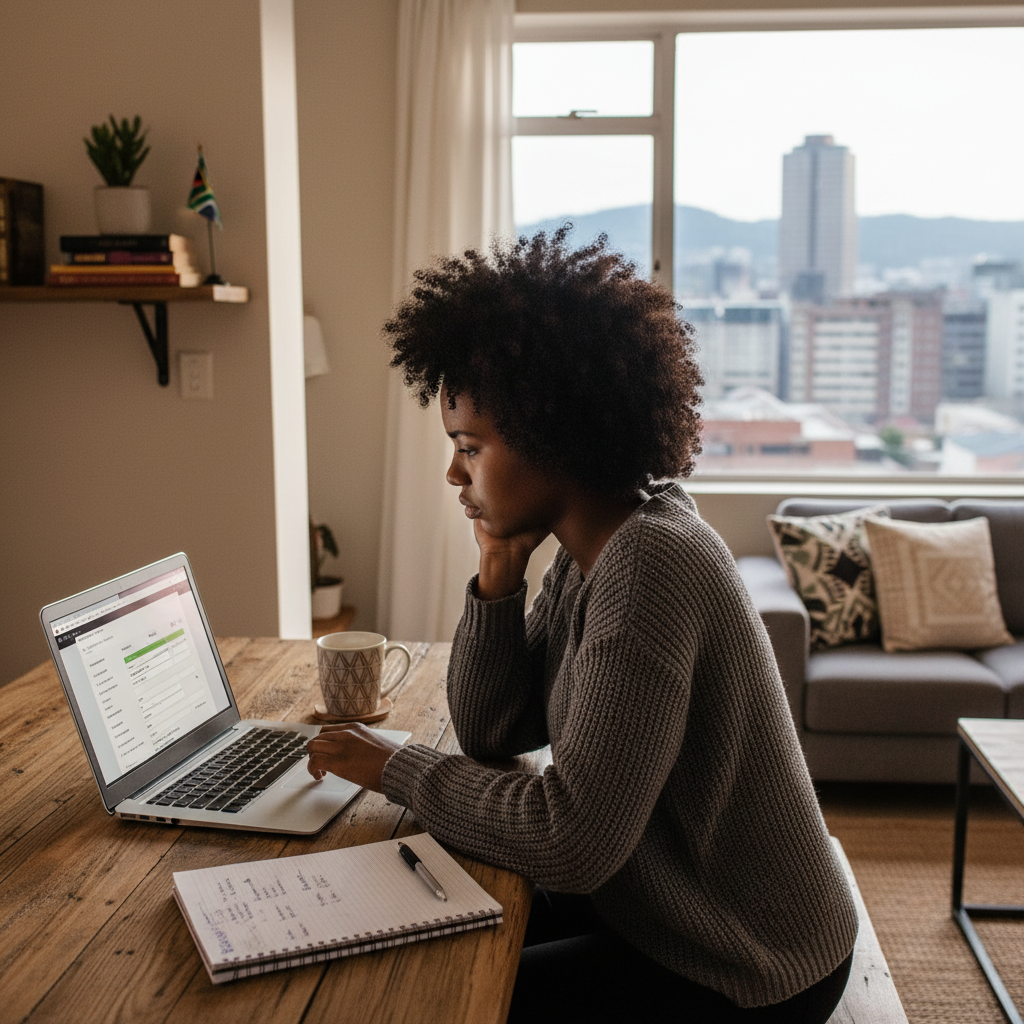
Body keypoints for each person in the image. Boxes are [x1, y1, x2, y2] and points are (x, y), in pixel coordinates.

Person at [306, 229, 858, 1022]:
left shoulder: (650, 565)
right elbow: (496, 729)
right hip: (652, 911)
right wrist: (498, 573)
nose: (453, 473)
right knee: (409, 949)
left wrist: (395, 765)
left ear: (550, 432)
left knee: (428, 996)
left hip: (746, 961)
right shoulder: (589, 550)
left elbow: (569, 840)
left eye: (469, 447)